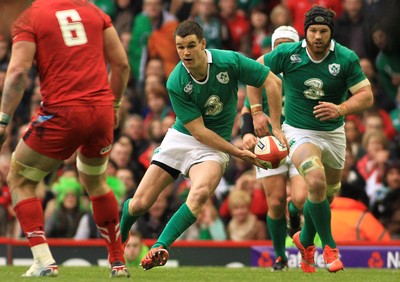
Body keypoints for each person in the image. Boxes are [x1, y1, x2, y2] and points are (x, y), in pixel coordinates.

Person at [120, 20, 286, 270]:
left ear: (203, 44)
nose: (185, 53)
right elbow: (198, 132)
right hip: (183, 137)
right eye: (180, 47)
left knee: (198, 195)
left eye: (190, 46)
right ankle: (117, 244)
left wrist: (274, 126)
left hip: (213, 147)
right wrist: (238, 151)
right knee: (139, 204)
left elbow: (273, 82)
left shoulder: (229, 61)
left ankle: (159, 246)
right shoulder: (175, 80)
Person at [0, 0, 130, 278]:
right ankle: (117, 262)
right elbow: (121, 65)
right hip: (101, 112)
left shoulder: (30, 16)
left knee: (19, 178)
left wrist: (3, 119)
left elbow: (18, 72)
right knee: (96, 182)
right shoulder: (95, 12)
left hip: (62, 114)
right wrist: (115, 105)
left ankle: (43, 259)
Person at [247, 6, 374, 273]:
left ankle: (304, 241)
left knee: (325, 197)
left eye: (323, 31)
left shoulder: (346, 58)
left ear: (331, 33)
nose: (317, 36)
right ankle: (328, 247)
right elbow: (252, 70)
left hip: (334, 133)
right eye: (313, 30)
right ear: (305, 32)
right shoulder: (288, 54)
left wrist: (340, 109)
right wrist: (256, 112)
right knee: (313, 180)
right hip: (297, 131)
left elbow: (366, 96)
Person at [241, 25, 307, 272]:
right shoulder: (262, 74)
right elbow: (247, 108)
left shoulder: (304, 71)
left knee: (300, 199)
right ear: (271, 48)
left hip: (300, 138)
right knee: (276, 201)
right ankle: (280, 256)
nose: (282, 49)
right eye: (278, 45)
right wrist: (246, 133)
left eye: (287, 44)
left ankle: (295, 211)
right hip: (270, 143)